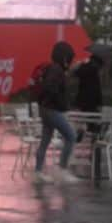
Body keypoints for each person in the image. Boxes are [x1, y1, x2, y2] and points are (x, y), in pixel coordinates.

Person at [33, 40, 79, 184]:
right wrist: (59, 101)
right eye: (69, 59)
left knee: (45, 140)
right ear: (65, 58)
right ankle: (62, 170)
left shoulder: (52, 68)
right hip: (52, 110)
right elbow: (51, 88)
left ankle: (38, 172)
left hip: (45, 109)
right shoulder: (56, 70)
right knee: (71, 136)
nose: (70, 62)